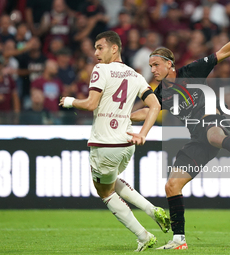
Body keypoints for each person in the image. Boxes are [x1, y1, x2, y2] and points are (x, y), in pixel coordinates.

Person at [130, 17, 230, 250]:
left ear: (169, 64)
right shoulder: (160, 92)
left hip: (213, 122)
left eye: (155, 65)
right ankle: (179, 240)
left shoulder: (191, 71)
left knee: (212, 134)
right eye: (150, 66)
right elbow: (148, 111)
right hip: (197, 139)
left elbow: (224, 52)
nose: (152, 69)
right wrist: (121, 115)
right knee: (172, 186)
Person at [59, 31, 170, 252]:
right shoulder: (136, 75)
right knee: (111, 181)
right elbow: (155, 107)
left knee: (105, 192)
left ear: (114, 48)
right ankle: (152, 210)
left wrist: (70, 101)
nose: (95, 53)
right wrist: (143, 133)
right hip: (127, 144)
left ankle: (143, 235)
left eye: (100, 47)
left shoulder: (101, 70)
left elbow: (91, 104)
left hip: (105, 145)